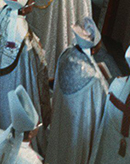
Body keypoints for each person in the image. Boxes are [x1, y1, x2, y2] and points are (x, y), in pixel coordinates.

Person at [0, 0, 50, 134]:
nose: (33, 3)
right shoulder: (20, 30)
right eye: (31, 1)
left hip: (1, 74)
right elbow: (33, 56)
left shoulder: (5, 13)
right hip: (17, 76)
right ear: (23, 9)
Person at [45, 18, 109, 164]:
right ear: (93, 49)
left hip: (62, 114)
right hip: (79, 125)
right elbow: (101, 103)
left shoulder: (66, 54)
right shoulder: (93, 76)